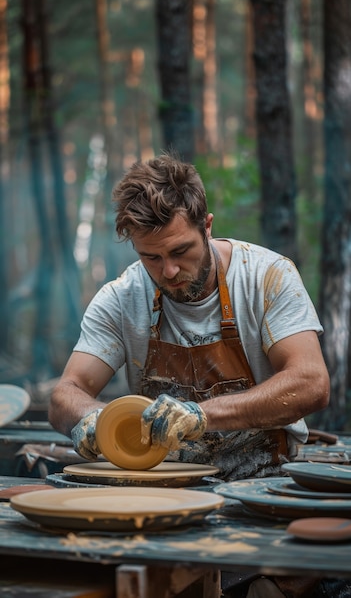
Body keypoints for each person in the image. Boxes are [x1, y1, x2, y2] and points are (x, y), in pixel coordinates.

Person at [49, 152, 333, 597]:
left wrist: (202, 415)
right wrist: (89, 418)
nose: (170, 271)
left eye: (181, 251)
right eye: (151, 258)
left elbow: (312, 383)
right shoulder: (122, 297)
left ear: (207, 226)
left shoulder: (266, 276)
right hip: (167, 497)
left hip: (263, 492)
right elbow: (67, 391)